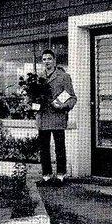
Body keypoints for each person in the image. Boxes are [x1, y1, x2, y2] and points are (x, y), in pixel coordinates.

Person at [36, 49, 77, 186]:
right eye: (44, 59)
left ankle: (61, 175)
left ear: (54, 60)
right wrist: (33, 105)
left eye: (49, 58)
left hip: (57, 117)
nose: (46, 61)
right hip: (42, 117)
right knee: (44, 148)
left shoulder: (63, 76)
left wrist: (63, 106)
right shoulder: (39, 77)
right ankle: (46, 176)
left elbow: (72, 97)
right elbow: (34, 97)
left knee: (59, 147)